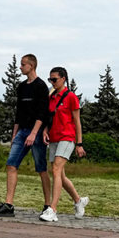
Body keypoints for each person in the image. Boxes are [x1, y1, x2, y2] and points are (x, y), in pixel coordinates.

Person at [0, 54, 50, 217]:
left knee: (41, 168)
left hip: (35, 132)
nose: (20, 67)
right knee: (11, 164)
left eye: (23, 65)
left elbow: (43, 113)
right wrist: (15, 133)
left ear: (32, 66)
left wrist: (34, 133)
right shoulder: (21, 87)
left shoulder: (41, 86)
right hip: (22, 131)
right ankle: (8, 205)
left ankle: (48, 205)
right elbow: (19, 112)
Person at [40, 67, 88, 222]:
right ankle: (78, 200)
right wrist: (45, 130)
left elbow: (77, 122)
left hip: (67, 138)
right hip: (54, 137)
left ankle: (52, 209)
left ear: (63, 79)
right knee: (59, 174)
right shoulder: (51, 97)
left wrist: (79, 143)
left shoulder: (71, 97)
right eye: (50, 80)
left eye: (54, 79)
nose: (52, 82)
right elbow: (50, 117)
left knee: (55, 169)